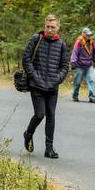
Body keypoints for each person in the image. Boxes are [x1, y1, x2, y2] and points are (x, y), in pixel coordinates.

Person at [22, 14, 69, 159]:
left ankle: (49, 148)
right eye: (47, 26)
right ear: (44, 26)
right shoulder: (36, 39)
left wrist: (57, 79)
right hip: (37, 85)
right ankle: (28, 133)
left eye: (52, 27)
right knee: (40, 114)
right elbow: (26, 59)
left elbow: (65, 66)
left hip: (52, 87)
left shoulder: (61, 44)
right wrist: (35, 77)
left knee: (51, 116)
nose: (49, 29)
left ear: (58, 27)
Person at [70, 27, 95, 103]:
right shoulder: (79, 42)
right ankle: (75, 96)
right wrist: (73, 63)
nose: (89, 36)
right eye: (87, 34)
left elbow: (94, 53)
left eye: (90, 34)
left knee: (91, 80)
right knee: (77, 82)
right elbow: (75, 52)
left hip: (89, 65)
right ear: (83, 34)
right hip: (80, 66)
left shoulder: (92, 42)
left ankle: (92, 97)